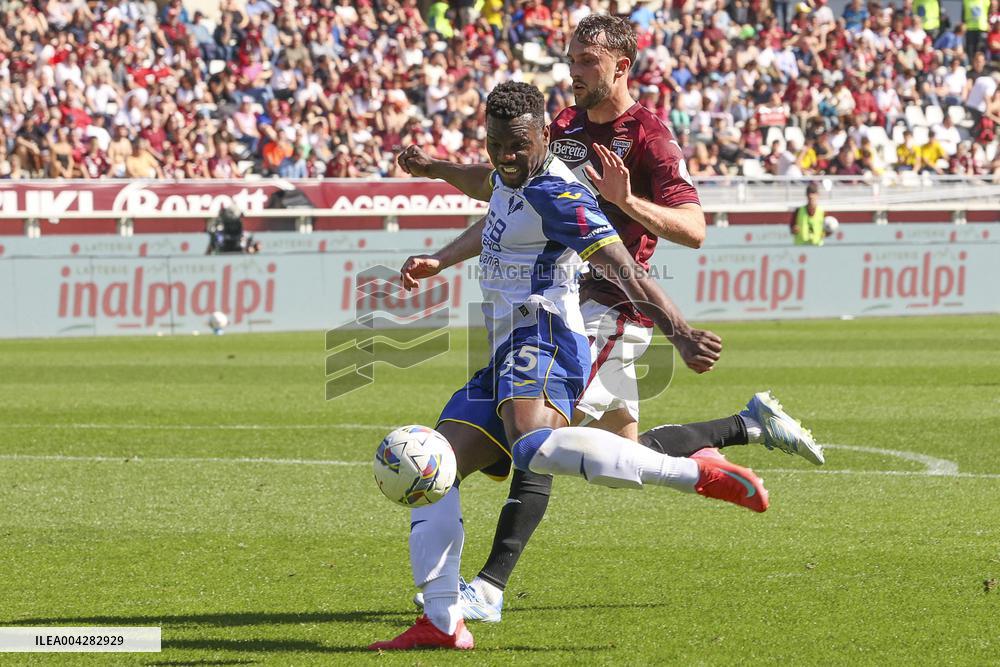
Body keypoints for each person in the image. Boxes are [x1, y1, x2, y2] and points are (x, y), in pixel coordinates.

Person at [397, 14, 821, 624]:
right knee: (614, 456)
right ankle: (742, 427)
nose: (572, 70)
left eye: (586, 61)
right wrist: (440, 214)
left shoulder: (647, 135)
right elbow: (500, 196)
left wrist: (627, 206)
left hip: (609, 306)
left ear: (621, 66)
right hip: (561, 303)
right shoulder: (559, 128)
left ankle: (487, 587)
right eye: (570, 57)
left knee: (532, 440)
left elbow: (694, 229)